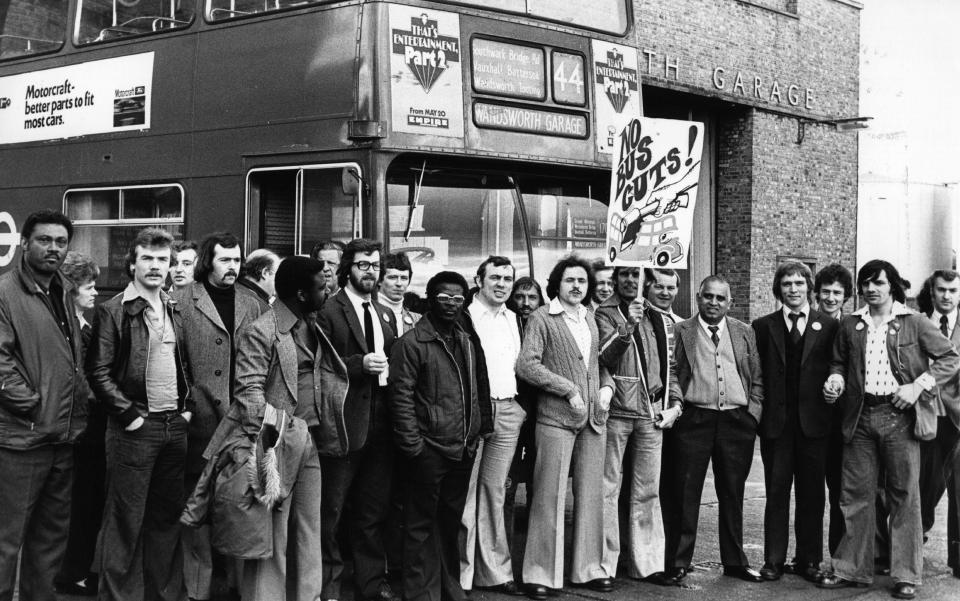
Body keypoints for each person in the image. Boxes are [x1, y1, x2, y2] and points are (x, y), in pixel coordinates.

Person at [818, 260, 959, 600]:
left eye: (878, 283)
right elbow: (838, 360)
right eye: (866, 283)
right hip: (860, 417)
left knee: (904, 497)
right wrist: (836, 378)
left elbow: (950, 358)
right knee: (856, 496)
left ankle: (906, 575)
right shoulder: (852, 323)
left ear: (892, 285)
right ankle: (852, 569)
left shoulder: (914, 322)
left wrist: (917, 386)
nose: (871, 289)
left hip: (901, 419)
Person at [229, 255, 348, 600]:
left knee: (309, 528)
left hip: (310, 441)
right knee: (273, 532)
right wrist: (279, 432)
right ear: (300, 293)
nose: (327, 291)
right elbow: (248, 395)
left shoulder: (313, 324)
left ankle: (306, 596)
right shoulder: (261, 331)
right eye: (321, 287)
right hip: (277, 441)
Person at [87, 227, 194, 601]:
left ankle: (161, 595)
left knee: (166, 520)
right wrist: (129, 415)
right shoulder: (113, 310)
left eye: (162, 260)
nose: (154, 266)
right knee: (124, 523)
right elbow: (98, 372)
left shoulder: (175, 308)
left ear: (170, 266)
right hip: (135, 427)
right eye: (146, 258)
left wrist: (187, 411)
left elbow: (186, 365)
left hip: (173, 427)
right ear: (132, 262)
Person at [0, 210, 88, 601]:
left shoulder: (63, 291)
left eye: (61, 242)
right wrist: (33, 406)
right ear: (24, 243)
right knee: (6, 542)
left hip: (60, 440)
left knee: (49, 544)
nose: (53, 248)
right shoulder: (5, 293)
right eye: (44, 240)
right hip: (22, 440)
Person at [516, 256, 614, 599]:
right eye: (570, 280)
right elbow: (527, 365)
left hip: (593, 420)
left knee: (590, 496)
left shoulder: (589, 317)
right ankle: (540, 573)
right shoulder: (543, 318)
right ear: (556, 284)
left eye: (582, 282)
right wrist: (567, 389)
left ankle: (588, 569)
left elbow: (597, 364)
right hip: (556, 418)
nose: (577, 287)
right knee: (549, 495)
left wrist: (607, 387)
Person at [174, 232, 265, 601]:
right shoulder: (180, 300)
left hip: (241, 423)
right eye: (225, 260)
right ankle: (198, 590)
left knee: (236, 506)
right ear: (208, 261)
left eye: (237, 260)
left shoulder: (253, 302)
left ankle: (235, 587)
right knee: (196, 507)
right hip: (198, 422)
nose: (233, 267)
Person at [389, 271, 488, 601]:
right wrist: (414, 446)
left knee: (448, 522)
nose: (451, 305)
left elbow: (477, 390)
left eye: (458, 299)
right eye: (444, 298)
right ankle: (420, 593)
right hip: (428, 449)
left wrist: (474, 436)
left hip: (461, 448)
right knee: (419, 525)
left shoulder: (466, 339)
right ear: (430, 300)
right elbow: (400, 397)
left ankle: (448, 586)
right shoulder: (411, 343)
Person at [663, 275, 764, 584]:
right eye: (708, 296)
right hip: (694, 420)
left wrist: (753, 415)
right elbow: (673, 372)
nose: (714, 303)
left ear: (729, 303)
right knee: (685, 493)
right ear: (698, 297)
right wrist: (679, 404)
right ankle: (678, 561)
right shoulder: (682, 331)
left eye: (720, 298)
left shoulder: (744, 331)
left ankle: (734, 561)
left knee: (732, 493)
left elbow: (757, 375)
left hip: (736, 421)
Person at [316, 239, 399, 601]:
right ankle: (327, 586)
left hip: (382, 421)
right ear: (347, 267)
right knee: (331, 511)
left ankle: (368, 585)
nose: (371, 271)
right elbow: (320, 367)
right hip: (344, 423)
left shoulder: (384, 313)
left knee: (372, 509)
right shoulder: (329, 311)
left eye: (375, 265)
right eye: (364, 264)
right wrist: (358, 365)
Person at [751, 262, 839, 582]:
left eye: (800, 283)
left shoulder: (828, 326)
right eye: (787, 283)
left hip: (815, 425)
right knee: (776, 494)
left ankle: (809, 560)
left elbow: (836, 366)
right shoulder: (762, 326)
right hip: (777, 425)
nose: (793, 289)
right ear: (778, 289)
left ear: (809, 288)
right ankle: (773, 560)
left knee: (812, 495)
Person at [595, 265, 681, 583]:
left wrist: (675, 404)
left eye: (637, 275)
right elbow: (603, 358)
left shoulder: (655, 315)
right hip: (617, 411)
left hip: (650, 412)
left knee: (647, 491)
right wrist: (627, 325)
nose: (632, 280)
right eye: (626, 274)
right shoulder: (605, 313)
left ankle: (648, 564)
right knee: (608, 489)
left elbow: (668, 366)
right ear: (616, 278)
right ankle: (604, 563)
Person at [459, 256, 525, 595]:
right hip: (474, 414)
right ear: (479, 280)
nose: (501, 284)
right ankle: (463, 575)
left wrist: (519, 409)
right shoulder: (464, 316)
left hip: (509, 410)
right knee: (466, 493)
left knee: (495, 493)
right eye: (495, 277)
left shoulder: (513, 318)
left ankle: (495, 572)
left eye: (507, 279)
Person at [54, 252, 104, 597]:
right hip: (81, 430)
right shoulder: (72, 330)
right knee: (80, 504)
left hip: (87, 429)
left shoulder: (83, 325)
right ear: (71, 291)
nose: (96, 292)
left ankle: (75, 568)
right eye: (89, 286)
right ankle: (71, 572)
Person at [917, 271, 960, 575]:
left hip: (958, 418)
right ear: (931, 292)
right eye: (941, 290)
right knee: (924, 486)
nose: (946, 296)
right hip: (927, 414)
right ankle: (912, 546)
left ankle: (958, 558)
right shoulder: (918, 323)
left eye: (953, 290)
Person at [814, 263, 855, 555]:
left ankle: (839, 556)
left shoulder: (852, 327)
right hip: (812, 422)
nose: (830, 297)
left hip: (844, 423)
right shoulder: (807, 324)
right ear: (817, 293)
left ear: (846, 296)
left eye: (837, 293)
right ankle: (809, 556)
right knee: (812, 493)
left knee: (842, 493)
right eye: (826, 291)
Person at [378, 252, 420, 334]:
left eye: (404, 278)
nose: (399, 283)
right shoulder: (367, 314)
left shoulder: (418, 320)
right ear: (379, 280)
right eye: (392, 277)